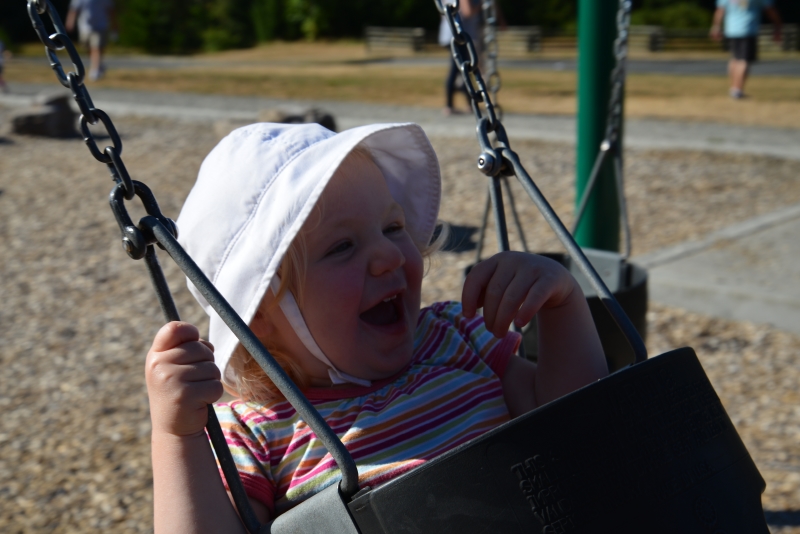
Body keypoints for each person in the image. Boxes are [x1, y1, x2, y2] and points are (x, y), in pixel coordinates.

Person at [145, 121, 608, 530]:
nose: (389, 255)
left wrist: (562, 305)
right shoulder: (258, 434)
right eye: (342, 246)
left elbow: (579, 424)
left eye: (392, 228)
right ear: (258, 314)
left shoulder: (455, 339)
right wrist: (177, 436)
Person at [710, 0, 782, 99]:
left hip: (731, 30)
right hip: (748, 30)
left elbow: (720, 10)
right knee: (743, 60)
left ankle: (733, 88)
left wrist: (716, 26)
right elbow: (770, 9)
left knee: (735, 59)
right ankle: (737, 91)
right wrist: (777, 25)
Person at [439, 0, 483, 115]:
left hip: (448, 33)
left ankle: (467, 103)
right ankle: (450, 106)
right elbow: (468, 12)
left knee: (461, 70)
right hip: (459, 36)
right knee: (460, 70)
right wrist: (480, 5)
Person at [65, 0, 115, 82]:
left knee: (96, 47)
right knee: (87, 48)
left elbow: (110, 10)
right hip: (85, 27)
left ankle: (95, 70)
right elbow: (74, 9)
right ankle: (98, 64)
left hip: (101, 26)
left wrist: (114, 24)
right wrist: (70, 21)